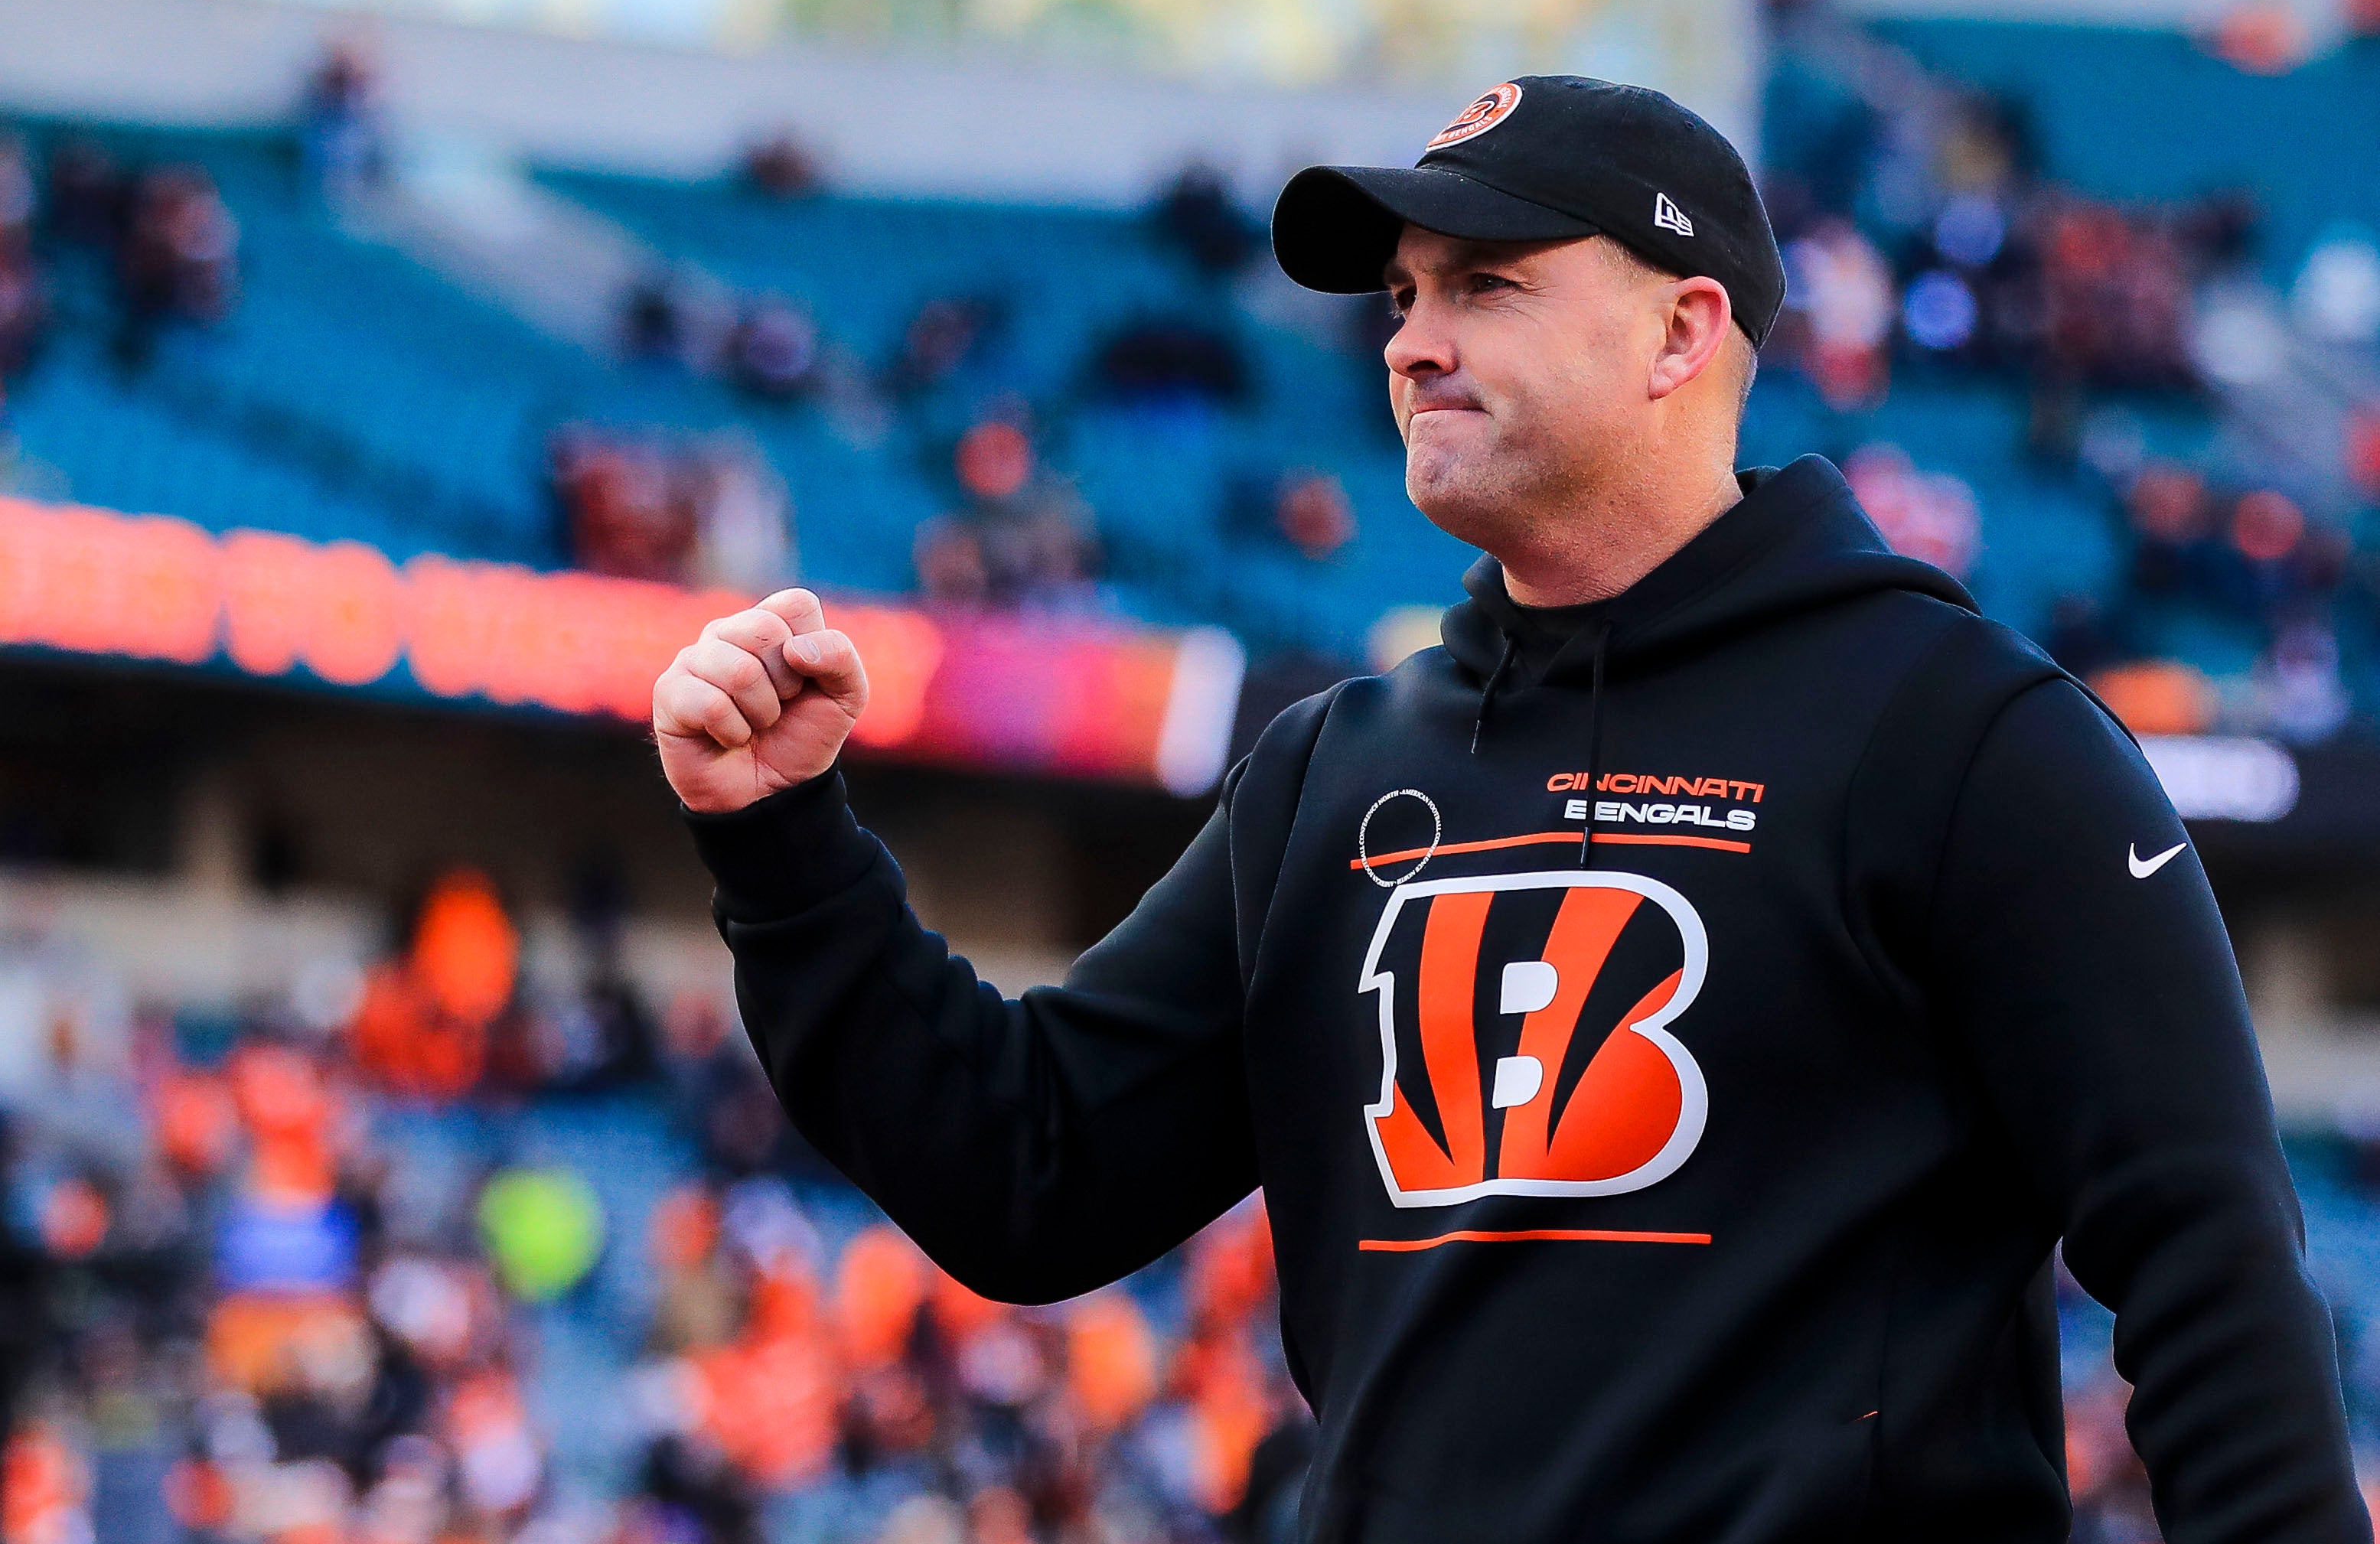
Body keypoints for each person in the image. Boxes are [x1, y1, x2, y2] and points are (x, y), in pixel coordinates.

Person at [653, 77, 2365, 1542]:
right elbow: (1028, 1171)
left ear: (1683, 332)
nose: (1410, 339)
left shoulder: (1965, 735)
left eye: (1483, 283)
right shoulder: (1334, 767)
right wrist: (788, 847)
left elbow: (2210, 1269)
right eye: (1399, 293)